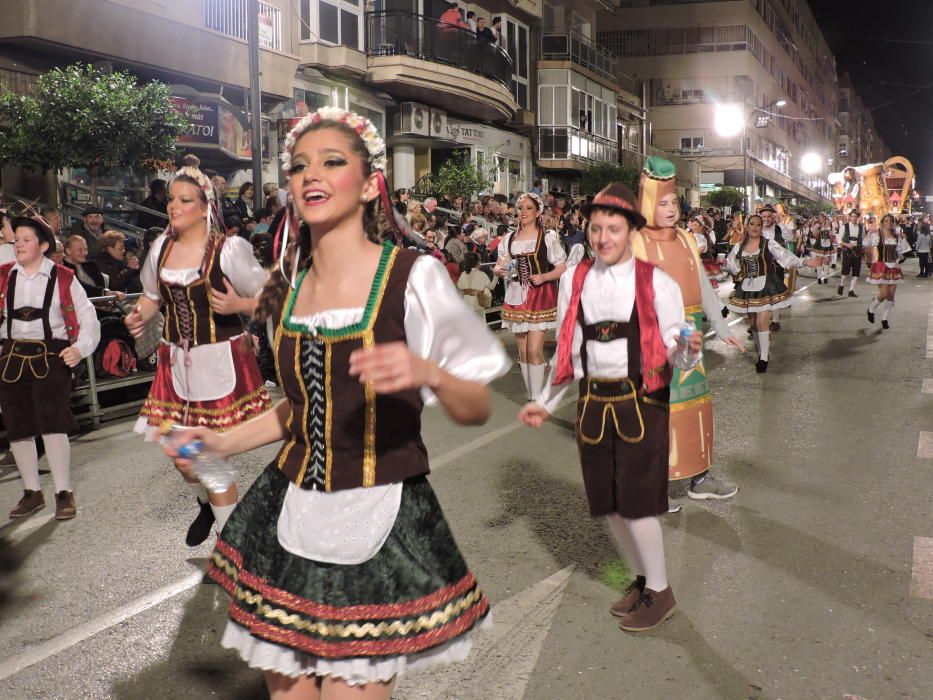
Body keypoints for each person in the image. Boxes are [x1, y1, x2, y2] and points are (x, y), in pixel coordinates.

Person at [166, 106, 509, 697]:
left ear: (371, 183)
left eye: (331, 161)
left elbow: (477, 404)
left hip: (377, 509)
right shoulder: (287, 289)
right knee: (289, 691)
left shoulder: (414, 276)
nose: (309, 175)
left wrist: (427, 370)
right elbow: (298, 410)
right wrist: (218, 442)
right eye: (299, 165)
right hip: (290, 508)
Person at [520, 183, 702, 632]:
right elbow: (570, 349)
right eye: (596, 228)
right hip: (594, 404)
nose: (603, 238)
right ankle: (644, 580)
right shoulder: (573, 279)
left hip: (644, 400)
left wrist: (690, 349)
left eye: (613, 228)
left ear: (631, 232)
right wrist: (545, 402)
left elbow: (678, 350)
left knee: (637, 504)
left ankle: (661, 591)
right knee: (610, 504)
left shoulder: (657, 281)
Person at [124, 155, 273, 547]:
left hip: (219, 364)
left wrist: (241, 307)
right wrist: (139, 315)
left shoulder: (229, 250)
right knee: (185, 461)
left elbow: (270, 299)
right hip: (175, 367)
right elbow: (153, 296)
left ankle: (231, 548)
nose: (174, 205)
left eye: (185, 199)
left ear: (206, 207)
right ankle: (206, 504)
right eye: (172, 198)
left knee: (210, 461)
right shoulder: (160, 248)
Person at [632, 157, 743, 500]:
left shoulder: (685, 238)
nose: (670, 208)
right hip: (653, 338)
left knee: (694, 407)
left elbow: (703, 286)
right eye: (661, 202)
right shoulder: (635, 243)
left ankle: (699, 478)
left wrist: (721, 326)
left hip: (689, 332)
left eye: (673, 201)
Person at [2, 217, 100, 520]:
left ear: (43, 245)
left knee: (52, 423)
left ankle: (63, 491)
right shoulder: (4, 276)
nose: (18, 243)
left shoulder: (64, 277)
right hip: (10, 358)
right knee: (18, 428)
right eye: (16, 238)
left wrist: (80, 349)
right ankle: (32, 492)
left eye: (26, 239)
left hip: (53, 356)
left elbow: (88, 318)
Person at [494, 192, 567, 402]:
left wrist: (544, 276)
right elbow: (500, 265)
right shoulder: (509, 238)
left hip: (540, 296)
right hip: (516, 295)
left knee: (534, 350)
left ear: (537, 212)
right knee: (523, 352)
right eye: (521, 208)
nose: (523, 212)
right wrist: (500, 271)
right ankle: (531, 396)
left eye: (528, 208)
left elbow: (561, 267)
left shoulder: (547, 237)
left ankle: (536, 398)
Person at [725, 214, 819, 372]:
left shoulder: (768, 244)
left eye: (758, 225)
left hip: (766, 285)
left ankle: (763, 357)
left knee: (762, 321)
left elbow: (785, 256)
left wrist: (804, 261)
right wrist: (733, 270)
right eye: (752, 224)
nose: (755, 227)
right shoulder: (739, 246)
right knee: (753, 323)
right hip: (747, 287)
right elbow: (730, 263)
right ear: (747, 226)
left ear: (762, 228)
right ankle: (761, 350)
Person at [866, 213, 910, 329]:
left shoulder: (896, 236)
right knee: (884, 294)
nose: (889, 223)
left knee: (891, 295)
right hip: (881, 266)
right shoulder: (877, 235)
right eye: (886, 221)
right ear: (882, 222)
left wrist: (904, 239)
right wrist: (869, 233)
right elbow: (866, 244)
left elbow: (902, 250)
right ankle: (871, 308)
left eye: (891, 221)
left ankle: (885, 319)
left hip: (894, 266)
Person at [837, 210, 865, 297]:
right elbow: (839, 240)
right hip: (847, 251)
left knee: (856, 272)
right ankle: (841, 284)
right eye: (852, 216)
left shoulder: (861, 227)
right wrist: (847, 244)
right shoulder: (844, 226)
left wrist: (864, 250)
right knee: (845, 271)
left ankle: (851, 290)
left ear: (858, 217)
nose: (854, 218)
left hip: (857, 251)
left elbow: (863, 240)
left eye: (855, 216)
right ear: (849, 217)